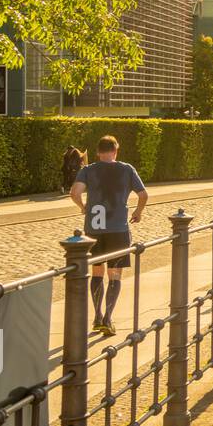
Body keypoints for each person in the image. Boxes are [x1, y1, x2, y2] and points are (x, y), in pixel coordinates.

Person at [70, 135, 148, 337]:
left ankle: (96, 316)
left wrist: (83, 207)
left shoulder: (87, 170)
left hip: (94, 230)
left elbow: (74, 192)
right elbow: (143, 194)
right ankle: (107, 318)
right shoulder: (126, 169)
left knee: (97, 272)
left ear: (97, 152)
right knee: (115, 274)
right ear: (115, 150)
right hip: (118, 229)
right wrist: (138, 212)